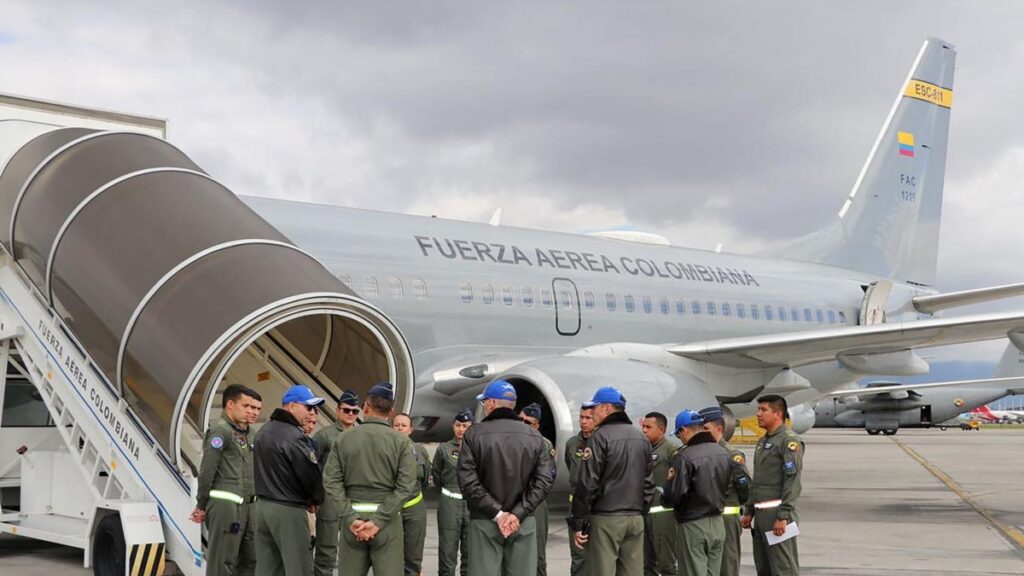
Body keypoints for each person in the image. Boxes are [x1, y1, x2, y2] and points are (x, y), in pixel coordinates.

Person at [457, 380, 554, 576]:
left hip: (485, 520)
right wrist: (518, 513)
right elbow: (543, 481)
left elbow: (468, 481)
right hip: (523, 522)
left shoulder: (474, 434)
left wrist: (498, 514)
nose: (484, 407)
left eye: (484, 403)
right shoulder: (534, 437)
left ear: (492, 403)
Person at [322, 382, 417, 576]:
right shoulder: (401, 442)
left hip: (353, 525)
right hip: (388, 524)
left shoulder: (343, 439)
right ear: (391, 412)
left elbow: (331, 481)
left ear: (365, 407)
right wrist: (378, 521)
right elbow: (406, 486)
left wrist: (349, 518)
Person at [570, 386, 653, 576]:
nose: (592, 412)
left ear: (607, 408)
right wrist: (640, 512)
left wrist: (579, 522)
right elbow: (648, 483)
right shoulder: (641, 438)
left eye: (595, 407)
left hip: (606, 519)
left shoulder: (599, 437)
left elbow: (587, 483)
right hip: (635, 519)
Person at [253, 384, 326, 576]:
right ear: (292, 406)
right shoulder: (294, 436)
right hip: (288, 510)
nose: (311, 413)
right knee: (299, 568)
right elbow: (310, 475)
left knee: (268, 568)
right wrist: (316, 499)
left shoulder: (263, 430)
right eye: (308, 407)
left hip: (262, 507)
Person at [191, 384, 261, 576]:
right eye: (247, 406)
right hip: (226, 507)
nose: (252, 412)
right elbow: (207, 471)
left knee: (251, 560)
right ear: (230, 404)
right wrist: (201, 504)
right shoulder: (220, 433)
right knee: (222, 562)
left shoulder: (251, 435)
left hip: (249, 507)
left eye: (256, 408)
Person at [662, 410, 731, 576]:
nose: (680, 438)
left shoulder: (684, 456)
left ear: (685, 430)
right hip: (717, 523)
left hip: (693, 525)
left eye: (679, 434)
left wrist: (664, 496)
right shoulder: (722, 452)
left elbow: (673, 494)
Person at [741, 395, 803, 576]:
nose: (758, 414)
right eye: (758, 409)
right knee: (764, 567)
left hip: (777, 515)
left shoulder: (788, 441)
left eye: (763, 410)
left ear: (777, 414)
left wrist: (783, 515)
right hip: (761, 515)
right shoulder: (764, 441)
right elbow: (758, 480)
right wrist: (750, 510)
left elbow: (792, 481)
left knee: (783, 568)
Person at [699, 406, 751, 576]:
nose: (702, 432)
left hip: (726, 519)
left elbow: (745, 487)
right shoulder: (701, 454)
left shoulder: (731, 455)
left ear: (719, 429)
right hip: (706, 518)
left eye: (706, 428)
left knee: (727, 564)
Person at [313, 389, 361, 576]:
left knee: (354, 551)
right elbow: (312, 467)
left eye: (354, 411)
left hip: (354, 498)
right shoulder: (324, 436)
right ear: (338, 410)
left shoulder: (361, 435)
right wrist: (315, 497)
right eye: (346, 410)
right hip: (330, 500)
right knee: (326, 550)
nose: (350, 414)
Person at [433, 407, 474, 576]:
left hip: (472, 505)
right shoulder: (443, 449)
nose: (461, 429)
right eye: (458, 425)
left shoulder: (478, 448)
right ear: (453, 426)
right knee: (447, 552)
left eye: (465, 426)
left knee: (470, 553)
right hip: (449, 504)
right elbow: (436, 476)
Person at [519, 402, 556, 576]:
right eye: (520, 420)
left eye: (528, 422)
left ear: (537, 425)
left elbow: (549, 477)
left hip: (536, 502)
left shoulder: (544, 445)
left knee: (538, 553)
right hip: (515, 500)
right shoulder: (513, 439)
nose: (523, 424)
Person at [640, 412, 679, 576]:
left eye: (648, 427)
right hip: (644, 513)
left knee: (666, 565)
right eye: (643, 426)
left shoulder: (670, 450)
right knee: (646, 565)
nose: (644, 430)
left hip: (663, 516)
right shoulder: (643, 449)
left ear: (661, 430)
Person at [394, 412, 432, 576]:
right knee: (390, 557)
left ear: (410, 429)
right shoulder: (383, 449)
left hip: (414, 508)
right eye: (397, 425)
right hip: (391, 508)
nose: (400, 428)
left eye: (404, 425)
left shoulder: (420, 451)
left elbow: (425, 480)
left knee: (413, 557)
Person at [564, 406, 595, 576]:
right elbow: (572, 469)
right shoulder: (572, 444)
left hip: (596, 507)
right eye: (581, 417)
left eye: (588, 418)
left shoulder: (601, 441)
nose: (583, 421)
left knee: (598, 556)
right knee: (578, 555)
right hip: (576, 508)